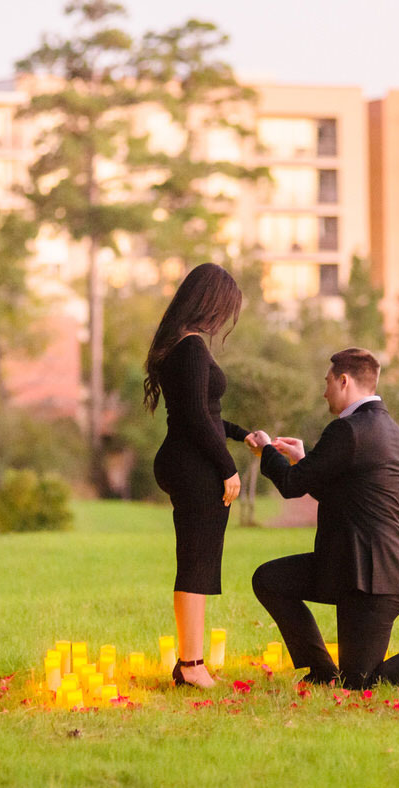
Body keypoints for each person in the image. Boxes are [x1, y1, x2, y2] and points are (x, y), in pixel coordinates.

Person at [244, 347, 399, 688]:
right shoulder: (389, 430)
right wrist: (306, 460)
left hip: (374, 579)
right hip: (352, 568)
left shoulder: (347, 430)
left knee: (361, 680)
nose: (324, 392)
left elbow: (291, 485)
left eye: (328, 382)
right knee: (270, 578)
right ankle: (320, 669)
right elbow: (348, 496)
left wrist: (267, 451)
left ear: (344, 380)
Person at [143, 263, 250, 689]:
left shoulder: (180, 346)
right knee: (196, 564)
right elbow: (192, 418)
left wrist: (244, 436)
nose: (224, 319)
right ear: (209, 302)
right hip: (194, 467)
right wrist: (228, 468)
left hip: (189, 460)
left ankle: (192, 662)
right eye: (224, 309)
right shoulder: (190, 348)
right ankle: (191, 665)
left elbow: (206, 416)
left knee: (199, 563)